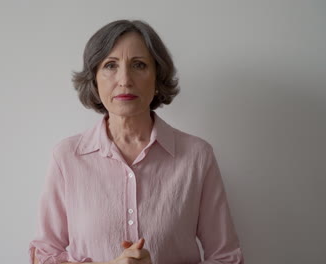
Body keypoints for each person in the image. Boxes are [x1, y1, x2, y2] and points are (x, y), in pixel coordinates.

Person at [28, 19, 244, 264]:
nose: (125, 79)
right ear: (95, 79)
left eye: (139, 65)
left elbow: (227, 258)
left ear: (157, 77)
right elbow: (44, 255)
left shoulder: (197, 156)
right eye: (110, 65)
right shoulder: (67, 157)